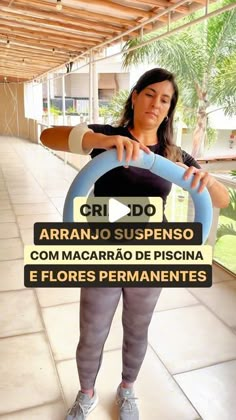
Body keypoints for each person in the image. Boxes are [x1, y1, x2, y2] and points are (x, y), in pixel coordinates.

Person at [41, 68, 229, 420]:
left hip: (151, 251)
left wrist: (207, 181)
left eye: (165, 99)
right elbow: (46, 136)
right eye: (150, 94)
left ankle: (127, 389)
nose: (156, 104)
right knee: (93, 328)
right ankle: (86, 394)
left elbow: (218, 199)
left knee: (138, 327)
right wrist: (102, 142)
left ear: (169, 109)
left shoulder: (174, 154)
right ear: (135, 96)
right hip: (103, 249)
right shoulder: (107, 136)